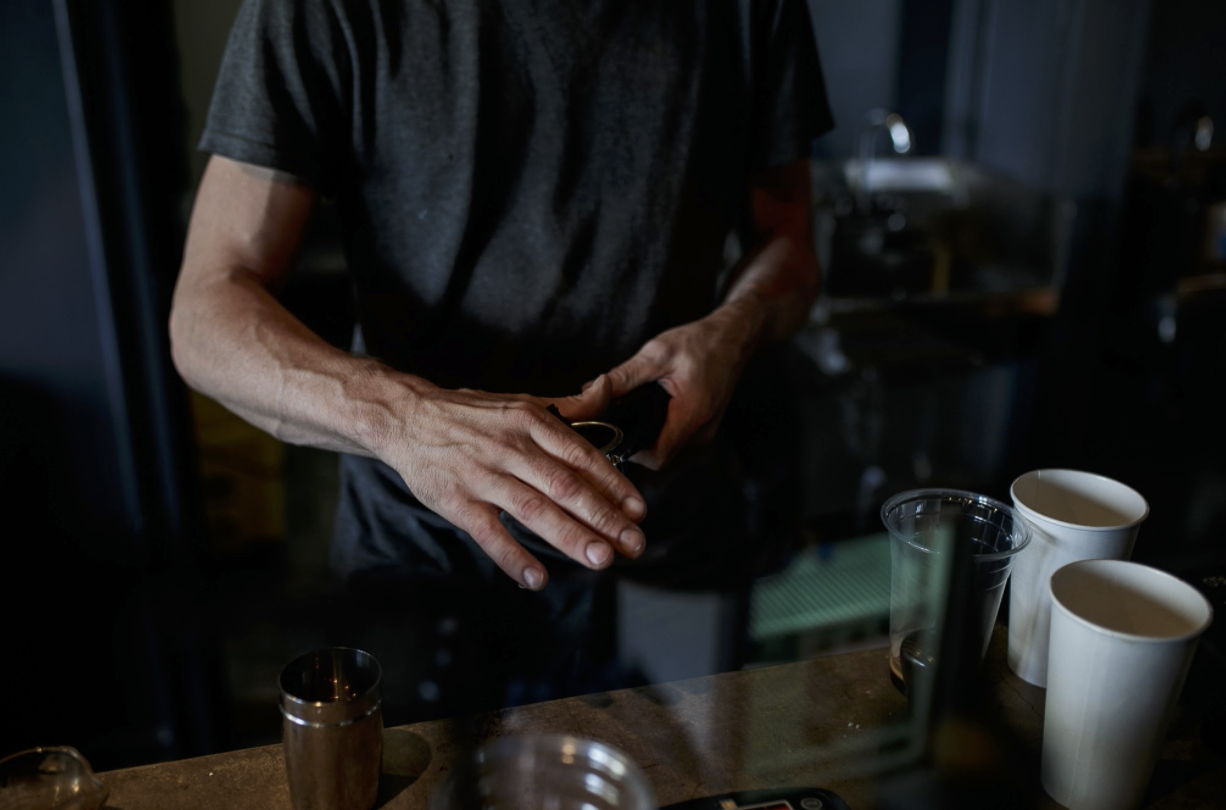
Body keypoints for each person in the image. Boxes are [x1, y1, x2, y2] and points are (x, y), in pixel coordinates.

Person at [169, 0, 833, 715]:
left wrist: (733, 329)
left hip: (664, 547)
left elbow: (788, 243)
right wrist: (407, 419)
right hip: (425, 557)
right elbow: (206, 312)